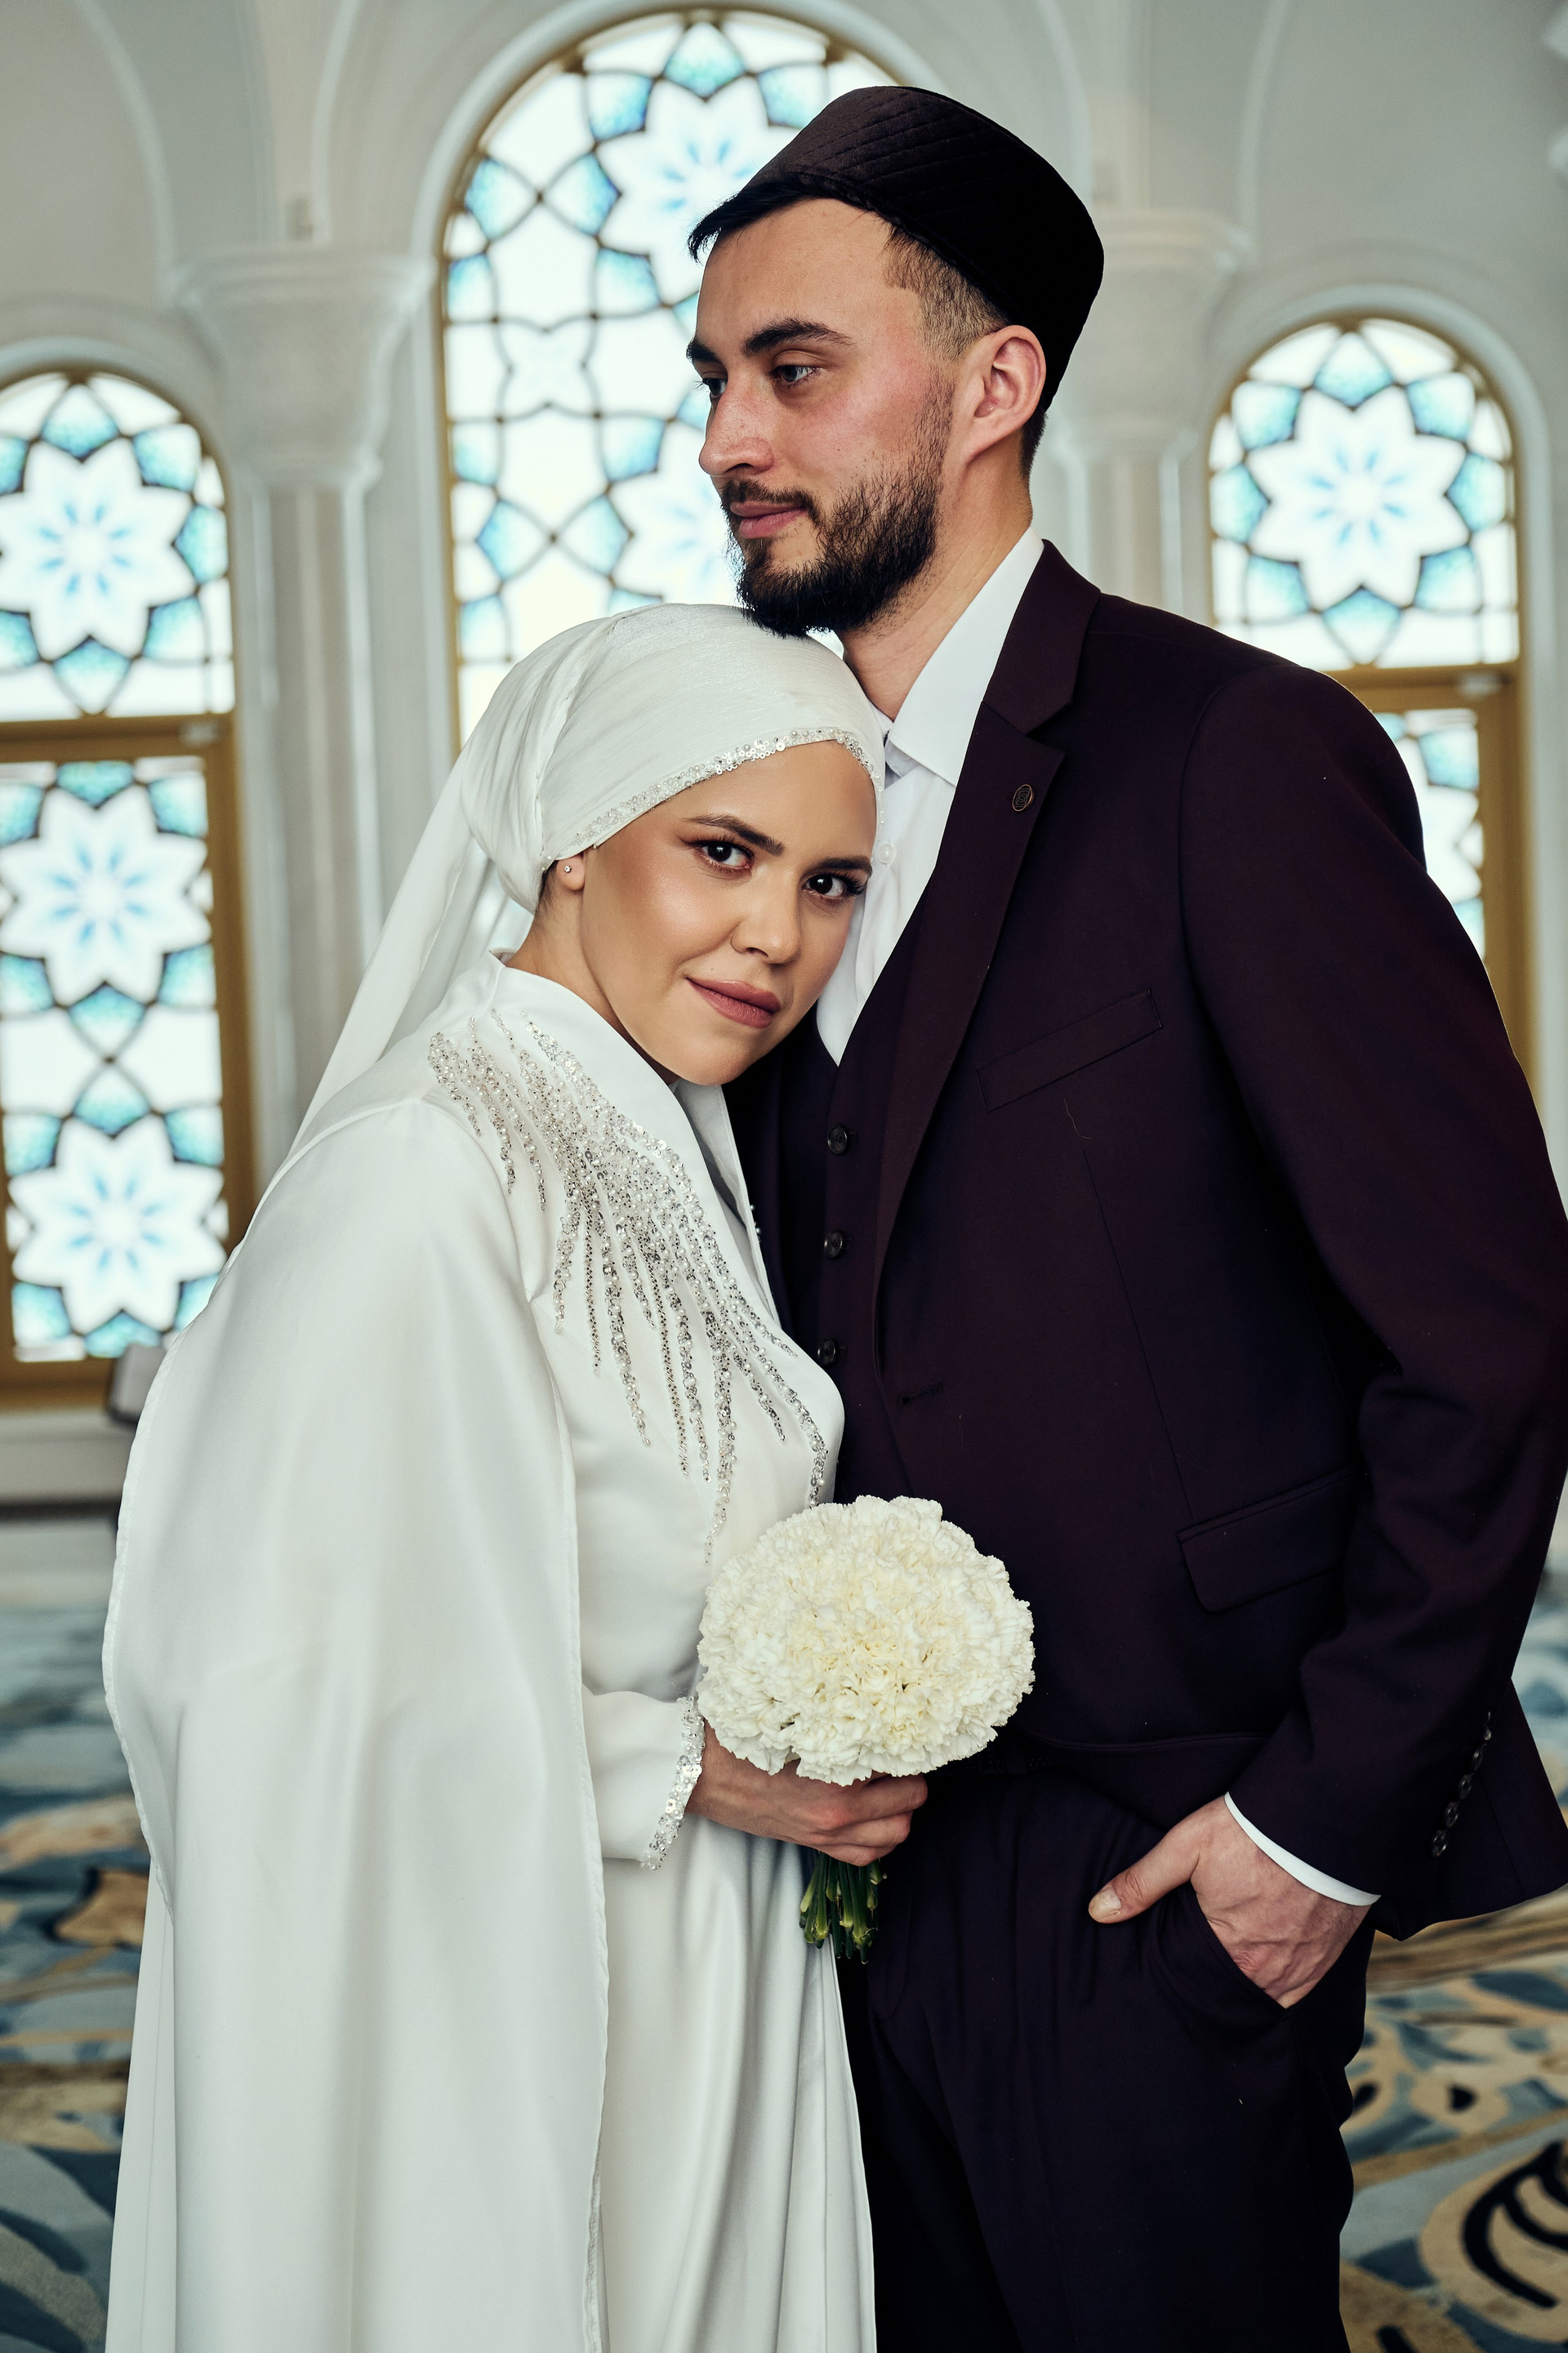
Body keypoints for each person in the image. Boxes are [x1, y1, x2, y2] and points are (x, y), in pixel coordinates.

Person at [689, 86, 1568, 2351]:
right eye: (713, 379)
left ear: (996, 384)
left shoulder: (1234, 756)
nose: (726, 440)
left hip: (1163, 1860)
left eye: (795, 369)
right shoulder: (721, 799)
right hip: (810, 1862)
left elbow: (1484, 1334)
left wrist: (1311, 1837)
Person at [101, 602, 930, 2353]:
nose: (776, 935)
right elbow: (262, 1681)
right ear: (573, 836)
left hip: (707, 1960)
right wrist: (688, 1766)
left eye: (831, 882)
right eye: (723, 853)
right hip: (516, 1984)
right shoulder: (420, 1163)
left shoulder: (659, 1120)